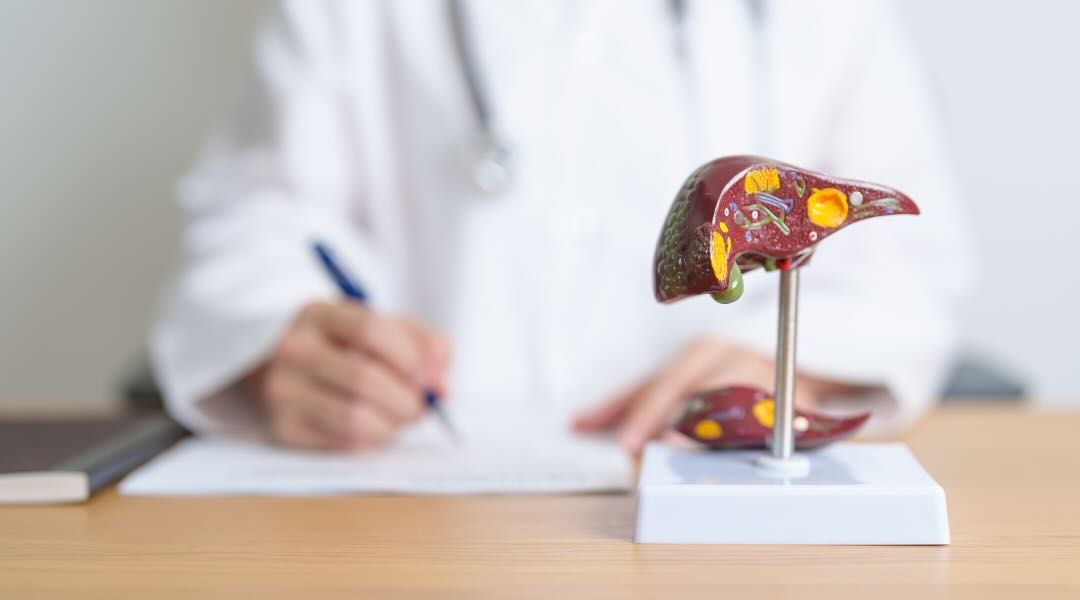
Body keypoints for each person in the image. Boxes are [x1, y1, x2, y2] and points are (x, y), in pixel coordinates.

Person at [152, 0, 972, 456]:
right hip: (416, 499)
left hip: (725, 506)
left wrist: (800, 361)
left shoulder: (824, 20)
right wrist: (284, 339)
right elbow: (252, 224)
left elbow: (910, 265)